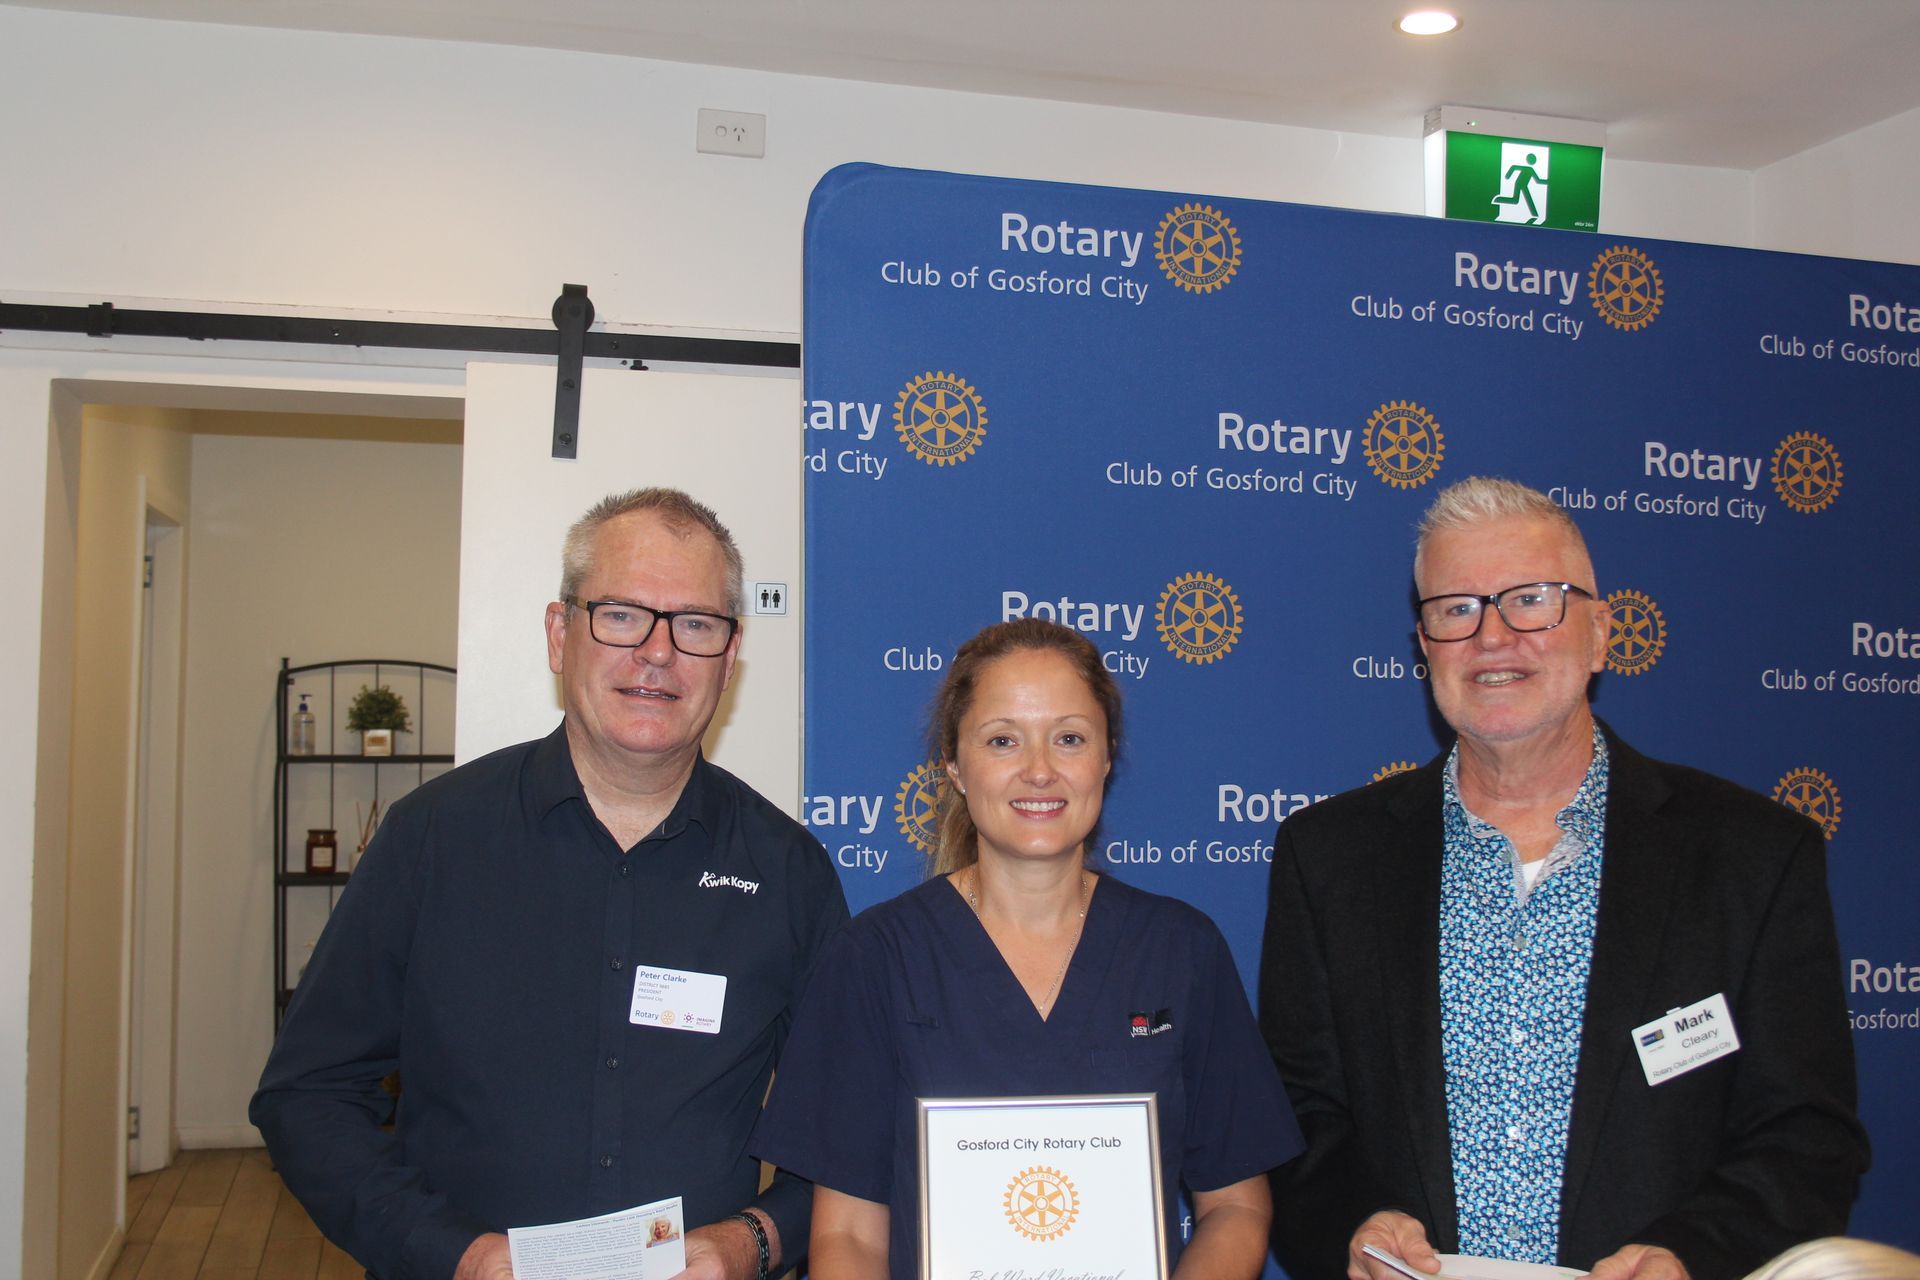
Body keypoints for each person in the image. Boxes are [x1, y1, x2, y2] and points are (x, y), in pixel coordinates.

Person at [1260, 477, 1868, 1280]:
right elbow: (1295, 1118)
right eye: (1457, 609)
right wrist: (1352, 1224)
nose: (1493, 636)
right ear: (1424, 646)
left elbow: (1806, 1135)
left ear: (1601, 632)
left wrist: (1691, 1255)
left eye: (1533, 601)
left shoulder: (1752, 856)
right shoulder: (1327, 857)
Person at [252, 488, 849, 1280]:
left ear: (730, 656)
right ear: (560, 633)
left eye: (695, 624)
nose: (658, 652)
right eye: (622, 615)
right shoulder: (433, 839)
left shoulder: (788, 872)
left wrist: (755, 1241)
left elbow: (847, 1129)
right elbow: (308, 1094)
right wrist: (451, 1254)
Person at [753, 618, 1303, 1278]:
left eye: (1069, 738)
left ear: (1105, 757)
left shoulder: (1182, 952)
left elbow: (1236, 1208)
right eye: (1003, 740)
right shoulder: (876, 958)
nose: (1039, 771)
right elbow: (848, 1236)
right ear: (954, 764)